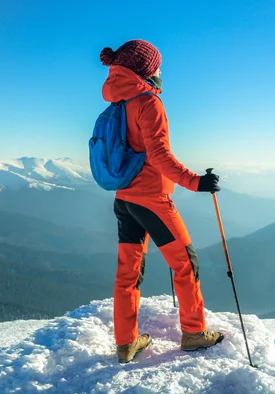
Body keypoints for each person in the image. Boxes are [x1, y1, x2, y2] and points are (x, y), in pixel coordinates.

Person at [99, 39, 224, 364]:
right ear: (145, 69)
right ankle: (194, 333)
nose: (160, 71)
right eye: (156, 66)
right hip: (152, 199)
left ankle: (126, 343)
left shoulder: (119, 104)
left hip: (124, 198)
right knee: (187, 264)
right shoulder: (148, 103)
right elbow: (159, 155)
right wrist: (196, 182)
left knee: (128, 273)